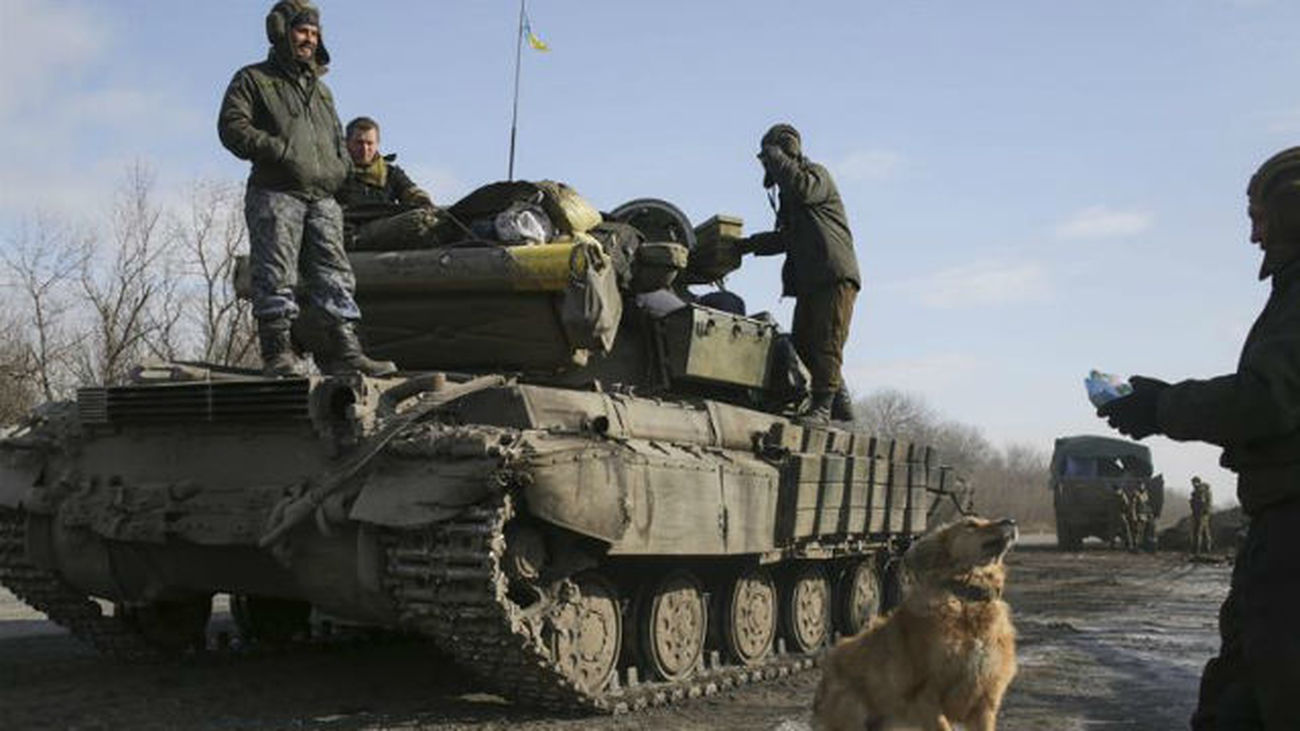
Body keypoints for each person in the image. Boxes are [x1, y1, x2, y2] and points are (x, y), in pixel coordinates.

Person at [1098, 147, 1300, 729]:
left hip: (1294, 537)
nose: (1255, 236)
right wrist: (1165, 403)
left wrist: (1164, 406)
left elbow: (1267, 399)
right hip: (1280, 531)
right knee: (1239, 700)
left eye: (1260, 217)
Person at [218, 1, 395, 377]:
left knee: (336, 275)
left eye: (314, 34)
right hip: (276, 190)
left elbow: (334, 137)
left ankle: (348, 352)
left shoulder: (322, 91)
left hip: (323, 197)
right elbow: (232, 127)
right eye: (302, 31)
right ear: (282, 31)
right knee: (276, 274)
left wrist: (340, 169)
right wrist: (280, 151)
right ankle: (279, 354)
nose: (309, 40)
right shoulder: (253, 79)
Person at [737, 124, 861, 423]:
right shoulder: (790, 195)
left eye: (769, 157)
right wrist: (746, 246)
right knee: (805, 343)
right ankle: (840, 402)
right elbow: (786, 238)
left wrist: (777, 157)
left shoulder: (816, 176)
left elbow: (803, 190)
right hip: (811, 278)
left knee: (826, 340)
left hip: (833, 274)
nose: (767, 165)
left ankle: (823, 406)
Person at [336, 116, 434, 213]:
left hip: (385, 225)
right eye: (359, 143)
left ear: (377, 144)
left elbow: (411, 192)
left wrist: (424, 202)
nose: (364, 148)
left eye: (369, 143)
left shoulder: (390, 173)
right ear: (347, 142)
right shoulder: (335, 172)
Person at [1190, 476, 1214, 555]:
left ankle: (1196, 550)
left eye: (1194, 482)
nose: (1193, 484)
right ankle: (1207, 549)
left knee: (1197, 531)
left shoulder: (1201, 491)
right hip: (1203, 514)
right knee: (1205, 531)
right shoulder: (1201, 490)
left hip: (1201, 514)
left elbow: (1202, 502)